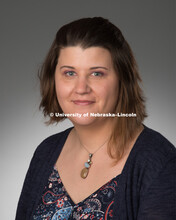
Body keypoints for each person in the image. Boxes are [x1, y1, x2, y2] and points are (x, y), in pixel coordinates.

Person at [15, 17, 176, 220]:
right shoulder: (45, 153)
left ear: (122, 80)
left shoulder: (160, 163)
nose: (81, 88)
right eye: (70, 73)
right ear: (53, 77)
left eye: (97, 74)